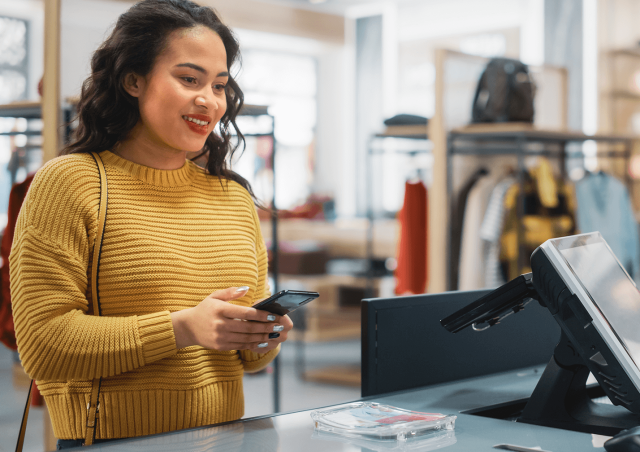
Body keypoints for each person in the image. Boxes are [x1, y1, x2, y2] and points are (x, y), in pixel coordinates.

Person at [9, 0, 293, 447]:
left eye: (219, 85)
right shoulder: (70, 183)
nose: (209, 100)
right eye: (188, 79)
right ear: (133, 80)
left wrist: (262, 336)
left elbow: (249, 362)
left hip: (223, 439)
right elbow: (44, 347)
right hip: (108, 444)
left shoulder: (233, 198)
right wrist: (182, 327)